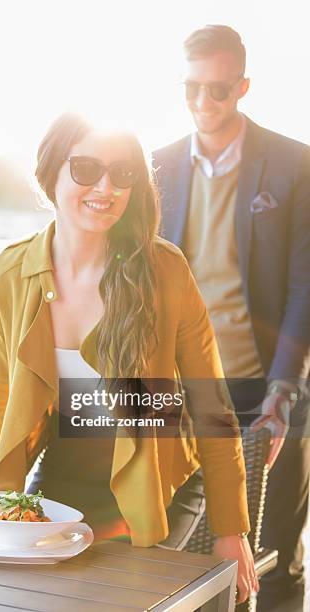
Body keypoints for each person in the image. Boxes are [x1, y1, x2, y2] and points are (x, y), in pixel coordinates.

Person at [0, 111, 258, 602]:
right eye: (85, 168)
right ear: (51, 175)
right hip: (61, 476)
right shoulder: (11, 271)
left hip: (158, 482)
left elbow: (211, 405)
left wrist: (232, 528)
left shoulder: (164, 269)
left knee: (114, 599)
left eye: (123, 174)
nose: (105, 187)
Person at [153, 25, 310, 610]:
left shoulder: (295, 165)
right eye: (191, 88)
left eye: (217, 89)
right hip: (182, 393)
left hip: (269, 387)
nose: (203, 103)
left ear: (243, 86)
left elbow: (304, 287)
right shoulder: (158, 164)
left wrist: (283, 393)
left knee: (273, 561)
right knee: (182, 560)